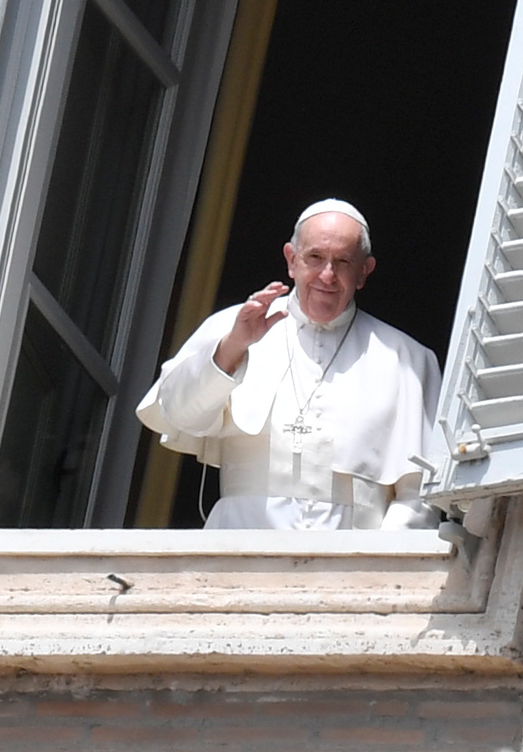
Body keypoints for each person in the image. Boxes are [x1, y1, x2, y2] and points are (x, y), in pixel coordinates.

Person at [137, 198, 442, 529]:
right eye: (315, 258)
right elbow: (177, 414)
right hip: (240, 550)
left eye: (342, 262)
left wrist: (379, 568)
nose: (327, 275)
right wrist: (233, 348)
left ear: (363, 272)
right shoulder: (232, 328)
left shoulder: (407, 359)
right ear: (291, 260)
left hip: (349, 566)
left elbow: (419, 495)